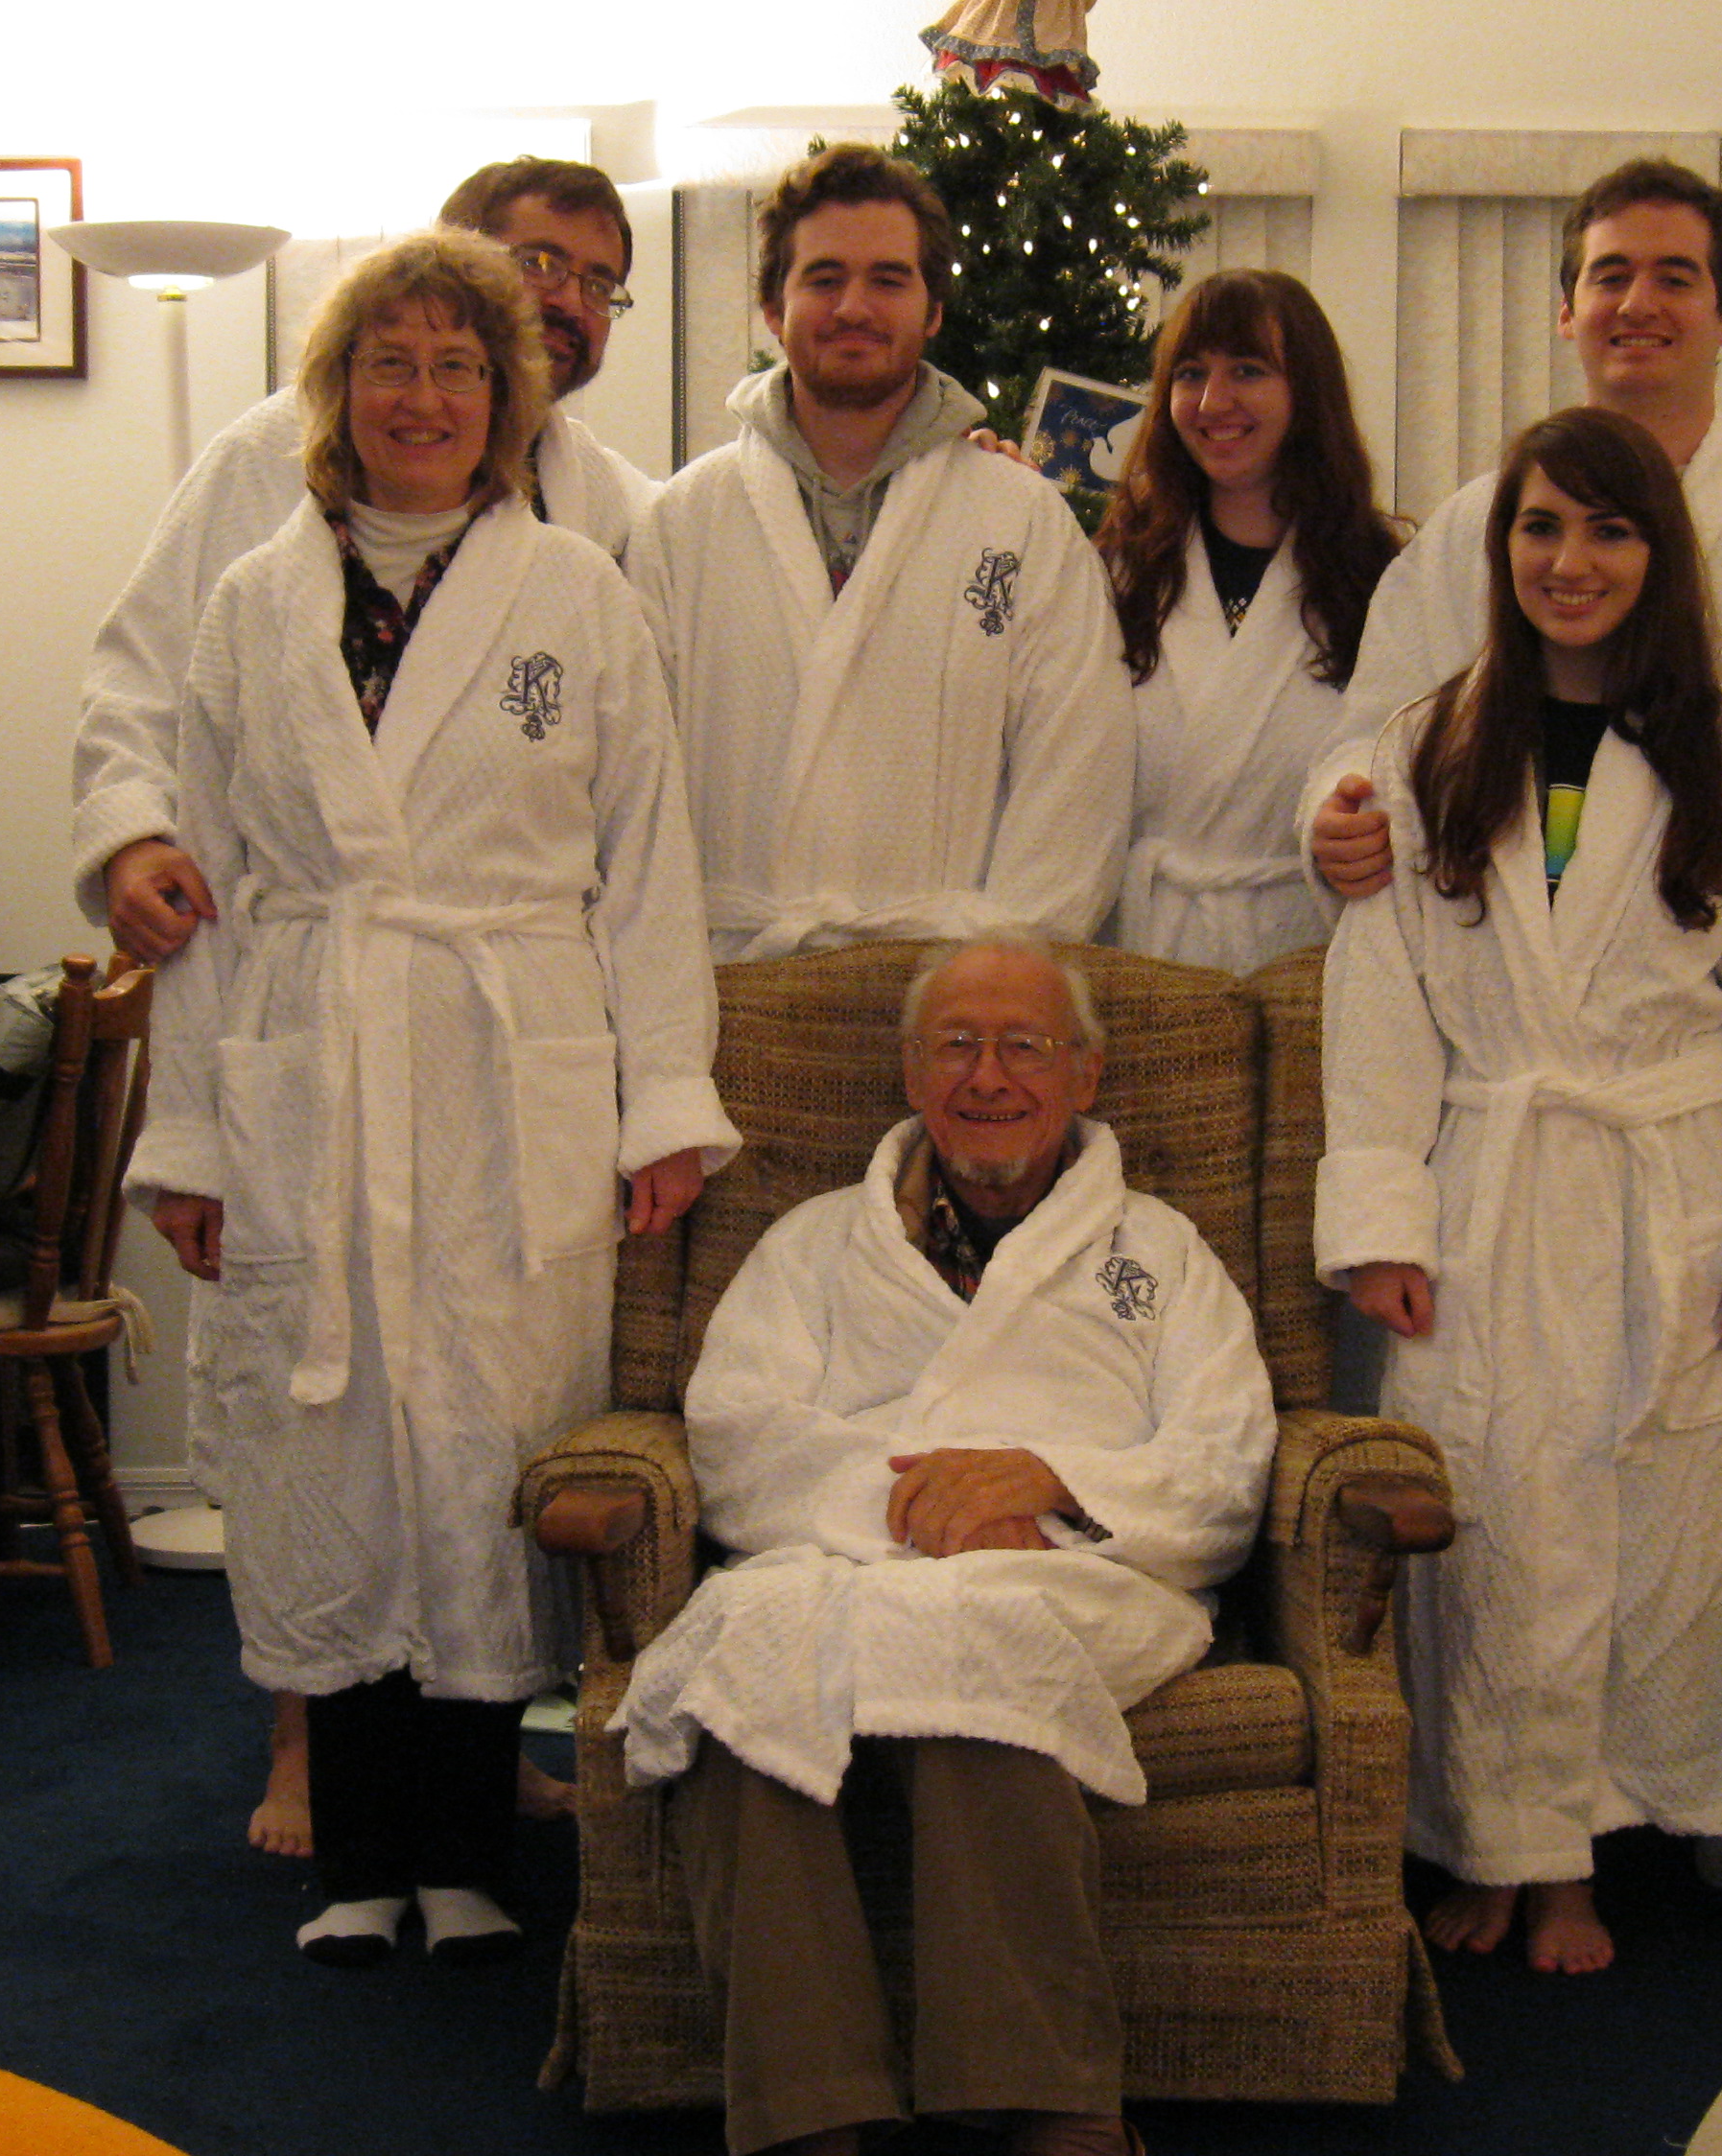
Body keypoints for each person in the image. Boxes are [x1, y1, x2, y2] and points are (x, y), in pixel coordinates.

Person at [124, 228, 740, 1968]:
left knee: (483, 1439)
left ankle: (465, 1850)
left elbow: (648, 864)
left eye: (457, 367)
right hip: (313, 1045)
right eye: (389, 364)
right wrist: (189, 1137)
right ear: (338, 392)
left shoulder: (580, 595)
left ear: (504, 397)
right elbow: (210, 882)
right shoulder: (253, 603)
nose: (422, 397)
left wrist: (661, 1099)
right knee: (328, 1446)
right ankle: (359, 1855)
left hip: (502, 1055)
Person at [1315, 409, 1722, 1973]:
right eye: (1541, 526)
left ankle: (1611, 1843)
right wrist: (1380, 1220)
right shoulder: (1426, 743)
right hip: (1491, 1180)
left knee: (1668, 1521)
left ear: (1660, 554)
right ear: (1501, 549)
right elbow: (1381, 999)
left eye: (1610, 530)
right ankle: (1505, 1843)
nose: (1571, 561)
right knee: (1500, 1515)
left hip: (1677, 1181)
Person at [614, 936, 1279, 2156]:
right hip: (834, 1564)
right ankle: (808, 2117)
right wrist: (924, 1508)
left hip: (1071, 1573)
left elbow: (1228, 1462)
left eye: (1024, 1045)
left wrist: (1054, 1488)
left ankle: (1050, 2105)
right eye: (956, 1045)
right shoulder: (813, 1243)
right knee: (744, 1671)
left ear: (1084, 1073)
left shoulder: (1160, 1253)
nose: (988, 1076)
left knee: (982, 1645)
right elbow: (736, 1436)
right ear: (912, 1070)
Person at [1303, 157, 1722, 933]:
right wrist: (1341, 817)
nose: (1639, 303)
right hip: (1498, 959)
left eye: (1675, 278)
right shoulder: (1472, 532)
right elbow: (1374, 738)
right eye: (1611, 277)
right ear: (1567, 312)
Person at [75, 157, 663, 970]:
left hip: (516, 963)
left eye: (599, 284)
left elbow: (637, 769)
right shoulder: (270, 454)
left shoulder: (603, 494)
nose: (569, 300)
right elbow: (142, 670)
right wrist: (131, 836)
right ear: (453, 260)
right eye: (538, 263)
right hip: (309, 949)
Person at [625, 145, 1131, 961]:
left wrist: (993, 967)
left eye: (889, 280)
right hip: (729, 980)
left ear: (933, 311)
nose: (854, 307)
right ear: (772, 306)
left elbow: (1080, 772)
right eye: (824, 278)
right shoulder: (684, 521)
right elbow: (632, 783)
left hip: (955, 990)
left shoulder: (1020, 519)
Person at [1089, 270, 1403, 972]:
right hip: (1138, 957)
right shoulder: (1115, 572)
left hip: (1306, 958)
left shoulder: (1380, 580)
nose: (1212, 402)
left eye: (1248, 370)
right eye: (1190, 374)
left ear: (1307, 390)